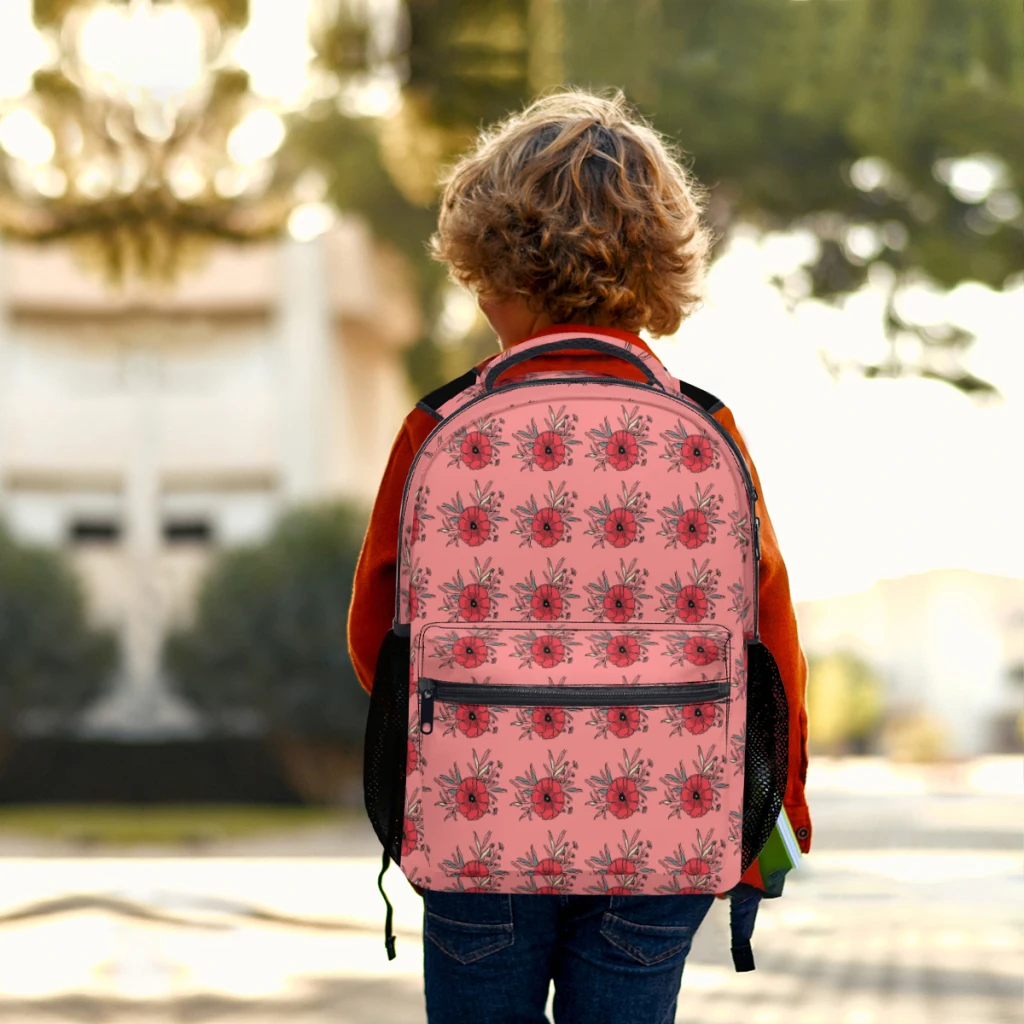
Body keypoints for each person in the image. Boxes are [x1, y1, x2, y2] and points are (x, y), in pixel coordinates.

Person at [349, 87, 810, 1024]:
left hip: (480, 826)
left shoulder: (440, 426)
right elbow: (769, 640)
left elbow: (376, 638)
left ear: (492, 269)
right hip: (661, 832)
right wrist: (779, 813)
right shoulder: (707, 427)